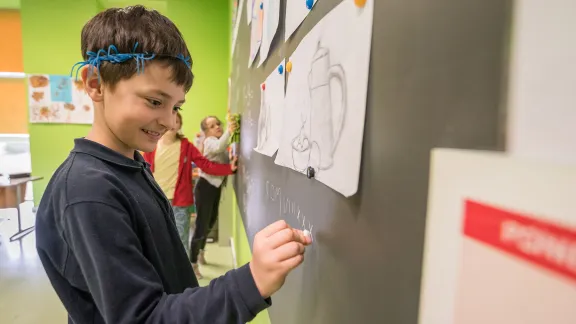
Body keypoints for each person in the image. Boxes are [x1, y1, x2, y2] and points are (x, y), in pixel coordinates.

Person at [34, 6, 311, 324]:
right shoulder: (88, 191)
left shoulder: (130, 165)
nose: (168, 120)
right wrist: (250, 282)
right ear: (95, 84)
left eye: (176, 106)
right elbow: (143, 317)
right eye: (154, 101)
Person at [142, 112, 235, 258]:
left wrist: (229, 169)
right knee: (157, 241)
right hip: (156, 200)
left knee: (181, 241)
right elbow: (143, 171)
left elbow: (205, 165)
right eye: (169, 119)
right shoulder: (150, 146)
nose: (172, 123)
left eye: (176, 121)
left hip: (180, 202)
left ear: (179, 125)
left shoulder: (186, 146)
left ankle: (184, 276)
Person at [190, 116, 233, 278]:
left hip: (215, 188)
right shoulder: (210, 142)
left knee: (211, 221)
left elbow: (223, 151)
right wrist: (230, 129)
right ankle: (193, 262)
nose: (217, 127)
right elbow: (220, 145)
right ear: (206, 132)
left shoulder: (217, 141)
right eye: (212, 126)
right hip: (205, 186)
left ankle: (201, 251)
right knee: (201, 225)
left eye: (218, 124)